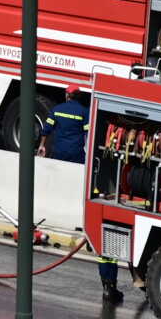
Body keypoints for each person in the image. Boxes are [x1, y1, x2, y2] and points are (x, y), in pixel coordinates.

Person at [41, 89, 122, 304]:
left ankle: (108, 286)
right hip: (78, 156)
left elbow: (46, 130)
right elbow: (89, 136)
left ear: (67, 96)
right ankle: (110, 287)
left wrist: (42, 147)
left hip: (59, 154)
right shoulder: (85, 113)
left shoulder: (56, 110)